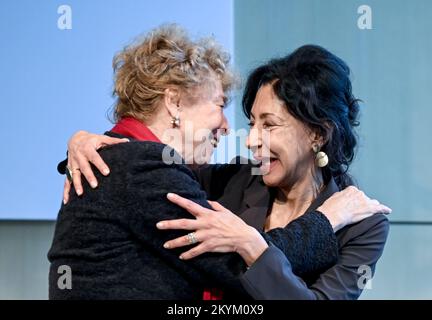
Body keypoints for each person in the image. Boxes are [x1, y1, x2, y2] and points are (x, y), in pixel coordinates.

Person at [59, 40, 391, 299]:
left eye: (270, 125)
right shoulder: (228, 180)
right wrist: (86, 140)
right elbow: (139, 170)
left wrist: (253, 246)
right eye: (252, 123)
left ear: (318, 133)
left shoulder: (364, 224)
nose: (251, 140)